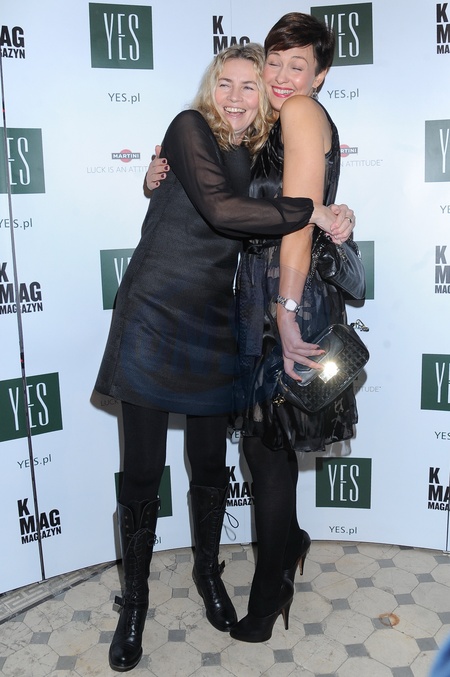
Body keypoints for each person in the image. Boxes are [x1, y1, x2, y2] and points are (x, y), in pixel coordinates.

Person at [95, 43, 352, 671]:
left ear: (265, 97)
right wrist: (314, 211)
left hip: (215, 321)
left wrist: (332, 207)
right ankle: (135, 604)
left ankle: (208, 574)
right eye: (225, 84)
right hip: (154, 314)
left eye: (249, 86)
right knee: (141, 471)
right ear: (211, 89)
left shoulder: (257, 151)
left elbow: (287, 185)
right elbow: (222, 209)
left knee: (210, 465)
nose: (236, 97)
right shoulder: (188, 128)